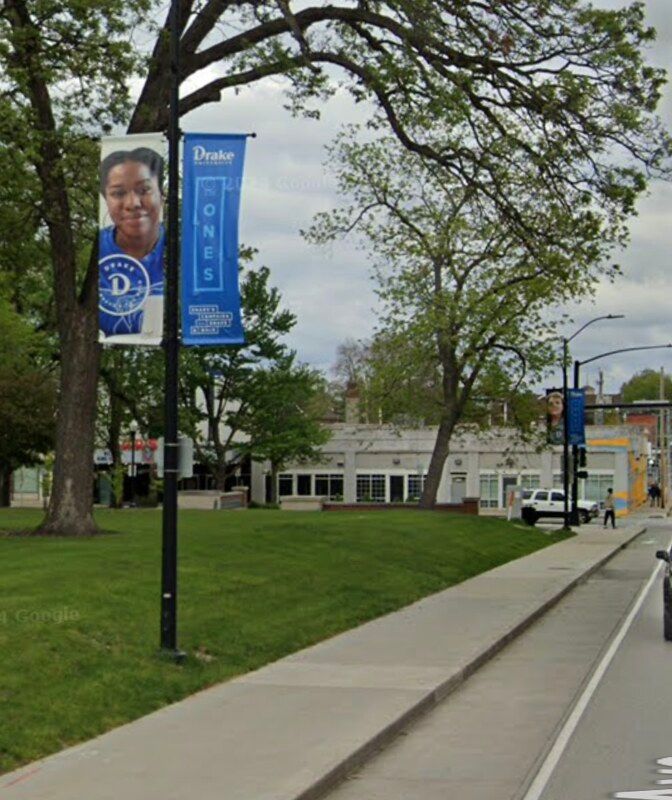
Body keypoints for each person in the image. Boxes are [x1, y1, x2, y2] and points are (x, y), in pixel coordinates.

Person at [98, 147, 165, 341]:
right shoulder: (93, 252)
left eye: (144, 190)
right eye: (118, 193)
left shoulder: (185, 249)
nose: (133, 203)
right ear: (105, 199)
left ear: (161, 194)